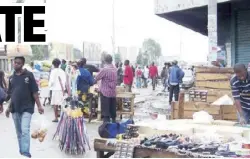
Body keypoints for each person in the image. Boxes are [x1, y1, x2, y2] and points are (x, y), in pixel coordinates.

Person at [5, 56, 44, 158]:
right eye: (15, 63)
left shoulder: (29, 75)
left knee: (25, 130)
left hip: (27, 108)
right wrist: (8, 108)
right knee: (19, 132)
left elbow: (34, 92)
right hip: (15, 109)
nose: (15, 64)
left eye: (18, 63)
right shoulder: (11, 78)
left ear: (22, 64)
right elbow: (11, 94)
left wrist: (39, 106)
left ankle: (26, 153)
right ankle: (22, 151)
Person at [95, 54, 117, 123]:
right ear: (111, 60)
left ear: (105, 61)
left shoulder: (105, 69)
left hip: (105, 93)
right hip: (113, 92)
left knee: (106, 111)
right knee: (112, 109)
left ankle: (106, 125)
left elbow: (97, 78)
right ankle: (113, 122)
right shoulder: (115, 68)